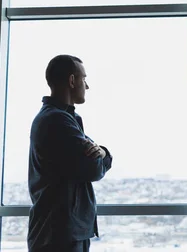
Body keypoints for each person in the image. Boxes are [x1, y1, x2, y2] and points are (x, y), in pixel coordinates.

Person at [28, 54, 113, 252]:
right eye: (84, 79)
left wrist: (102, 152)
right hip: (59, 234)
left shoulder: (60, 118)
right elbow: (92, 169)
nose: (87, 86)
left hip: (60, 232)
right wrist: (104, 155)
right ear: (72, 81)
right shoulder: (58, 121)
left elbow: (94, 159)